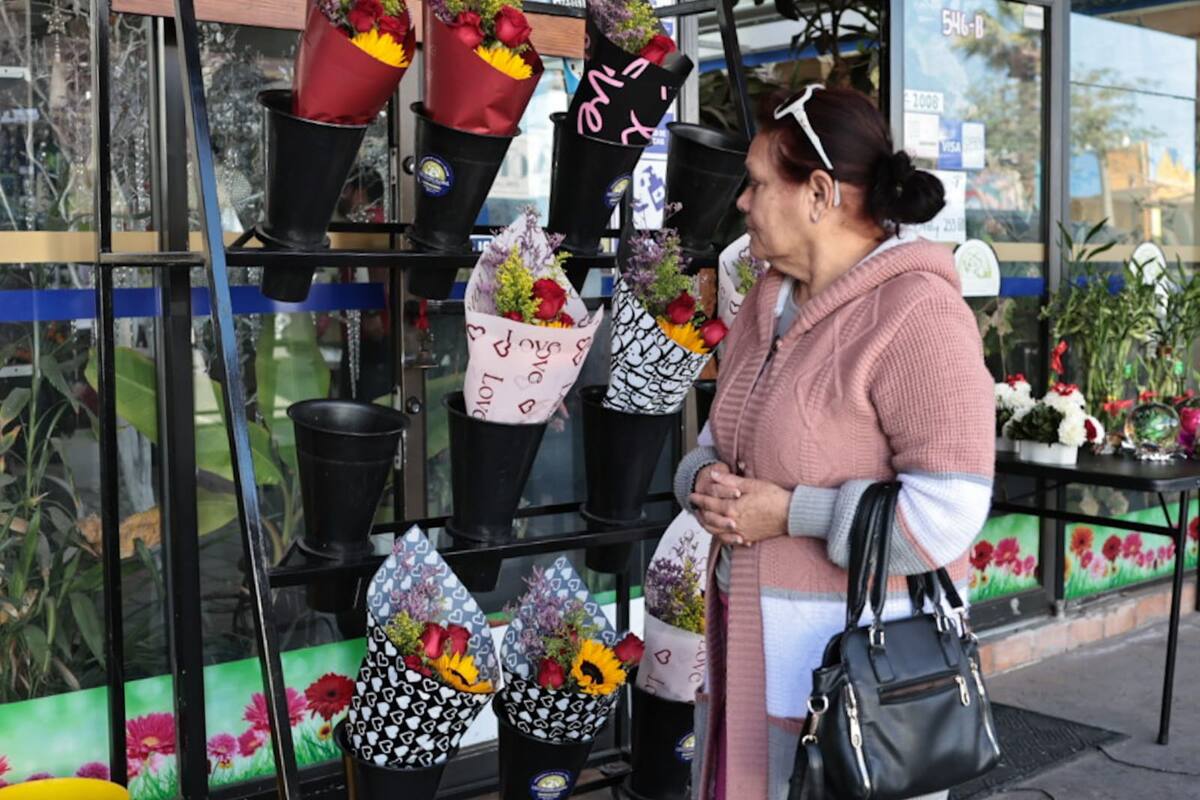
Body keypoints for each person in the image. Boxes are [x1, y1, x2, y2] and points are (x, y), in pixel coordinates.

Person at [675, 85, 995, 800]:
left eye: (757, 185)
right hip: (744, 662)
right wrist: (704, 486)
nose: (742, 204)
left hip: (860, 702)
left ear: (818, 193)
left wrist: (790, 513)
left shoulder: (918, 315)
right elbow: (713, 442)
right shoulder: (765, 301)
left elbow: (948, 512)